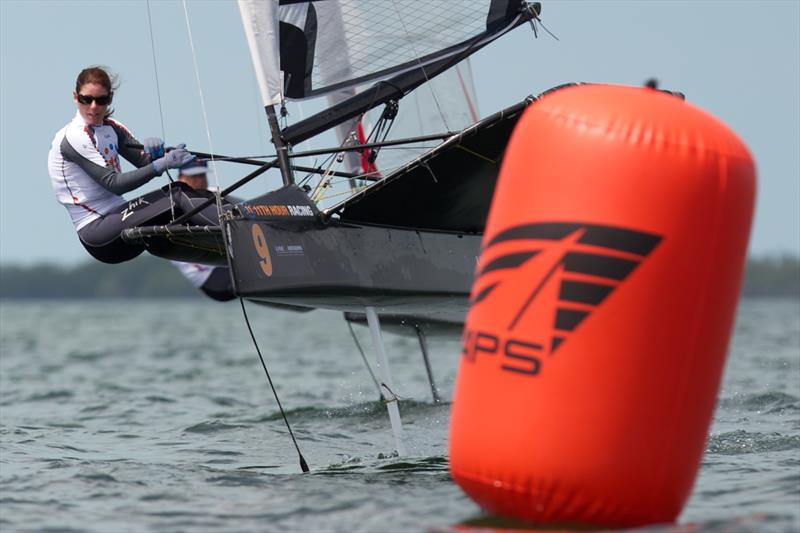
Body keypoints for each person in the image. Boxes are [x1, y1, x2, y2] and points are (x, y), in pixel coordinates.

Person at [48, 66, 224, 264]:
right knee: (177, 194)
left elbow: (143, 161)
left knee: (190, 197)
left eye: (101, 100)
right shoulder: (74, 136)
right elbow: (114, 184)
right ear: (75, 97)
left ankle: (235, 236)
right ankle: (238, 228)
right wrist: (161, 164)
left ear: (110, 98)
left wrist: (156, 156)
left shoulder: (112, 128)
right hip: (98, 232)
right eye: (86, 99)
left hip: (118, 219)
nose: (94, 106)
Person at [170, 160, 236, 302]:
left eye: (202, 176)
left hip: (230, 263)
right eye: (194, 177)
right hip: (212, 278)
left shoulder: (216, 194)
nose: (199, 181)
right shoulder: (171, 205)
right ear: (180, 178)